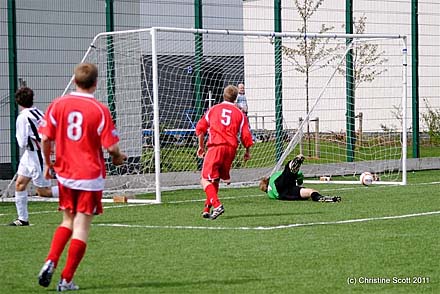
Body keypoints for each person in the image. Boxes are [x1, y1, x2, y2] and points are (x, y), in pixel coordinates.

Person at [37, 63, 127, 291]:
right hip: (90, 176)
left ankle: (51, 260)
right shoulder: (99, 110)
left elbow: (45, 138)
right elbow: (112, 147)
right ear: (96, 83)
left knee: (67, 220)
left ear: (74, 80)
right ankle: (66, 279)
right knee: (81, 226)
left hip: (65, 175)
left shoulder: (58, 104)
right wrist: (118, 157)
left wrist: (48, 164)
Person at [196, 85, 253, 220]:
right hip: (231, 150)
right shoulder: (240, 113)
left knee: (204, 179)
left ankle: (217, 205)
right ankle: (206, 208)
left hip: (216, 146)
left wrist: (201, 146)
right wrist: (247, 151)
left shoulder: (213, 109)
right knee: (214, 179)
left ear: (223, 95)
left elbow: (200, 129)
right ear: (235, 98)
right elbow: (246, 134)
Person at [8, 87, 59, 227]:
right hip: (30, 155)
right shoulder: (39, 112)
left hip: (37, 155)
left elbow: (22, 142)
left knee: (44, 192)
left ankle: (73, 191)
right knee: (20, 184)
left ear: (18, 102)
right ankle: (22, 219)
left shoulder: (22, 117)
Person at [259, 154, 341, 202]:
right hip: (282, 185)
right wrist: (300, 180)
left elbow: (276, 195)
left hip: (284, 195)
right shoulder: (273, 176)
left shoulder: (270, 194)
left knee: (309, 192)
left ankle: (321, 198)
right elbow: (300, 174)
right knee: (286, 173)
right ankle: (292, 164)